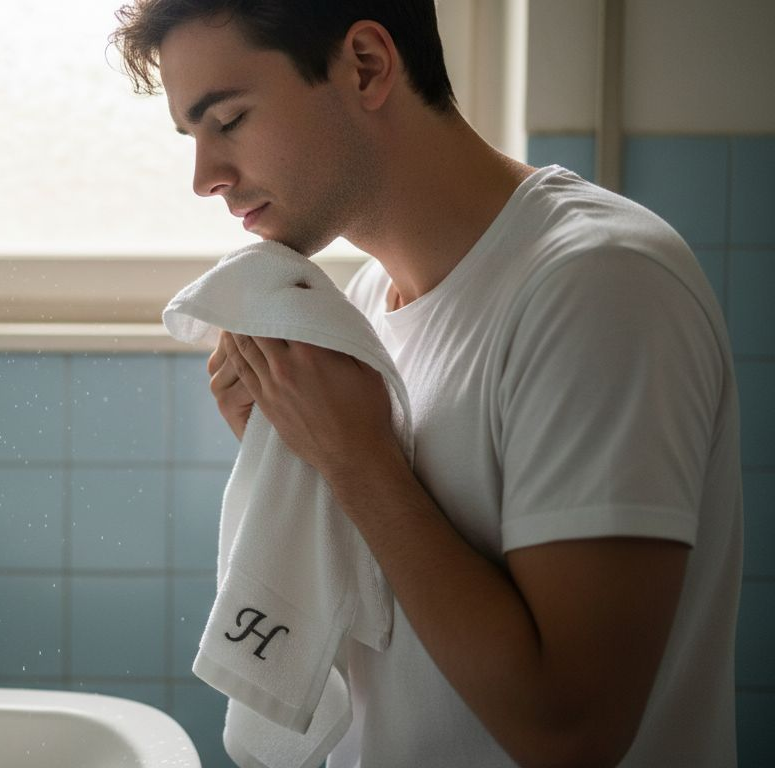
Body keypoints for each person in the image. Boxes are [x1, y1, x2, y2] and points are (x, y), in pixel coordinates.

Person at [110, 1, 743, 766]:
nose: (205, 178)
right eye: (193, 137)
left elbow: (570, 730)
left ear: (368, 65)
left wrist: (354, 459)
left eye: (230, 120)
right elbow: (401, 612)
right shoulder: (368, 303)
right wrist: (301, 460)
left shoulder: (600, 283)